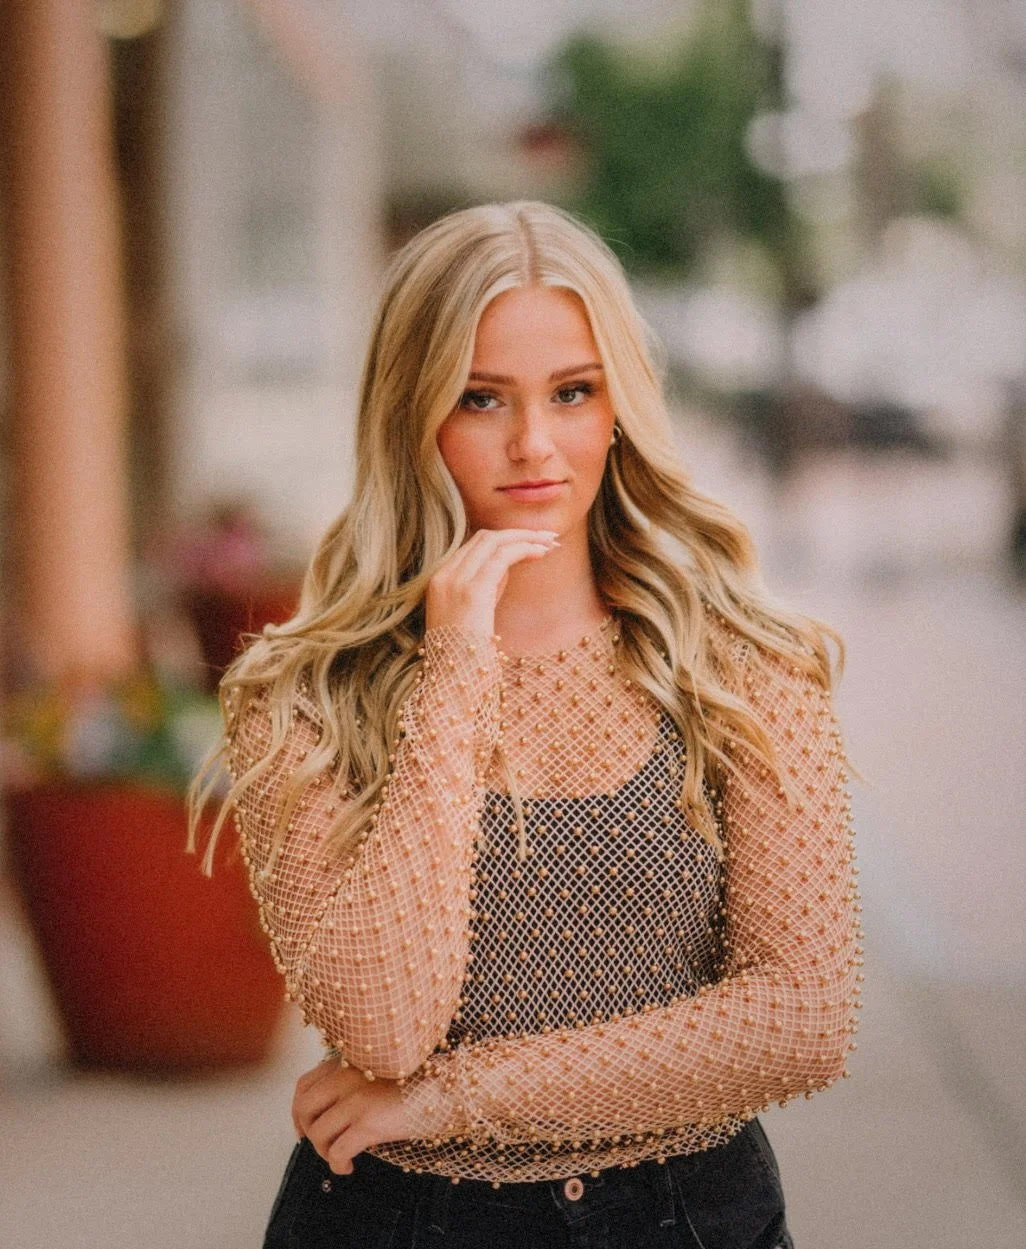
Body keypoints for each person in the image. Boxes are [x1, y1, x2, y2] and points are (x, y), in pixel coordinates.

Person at [187, 200, 863, 1249]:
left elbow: (801, 1017)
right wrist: (456, 661)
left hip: (691, 1217)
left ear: (619, 404)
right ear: (414, 413)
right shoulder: (302, 692)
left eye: (573, 392)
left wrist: (445, 1101)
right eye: (481, 398)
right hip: (396, 1222)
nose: (534, 443)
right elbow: (384, 1023)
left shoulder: (743, 661)